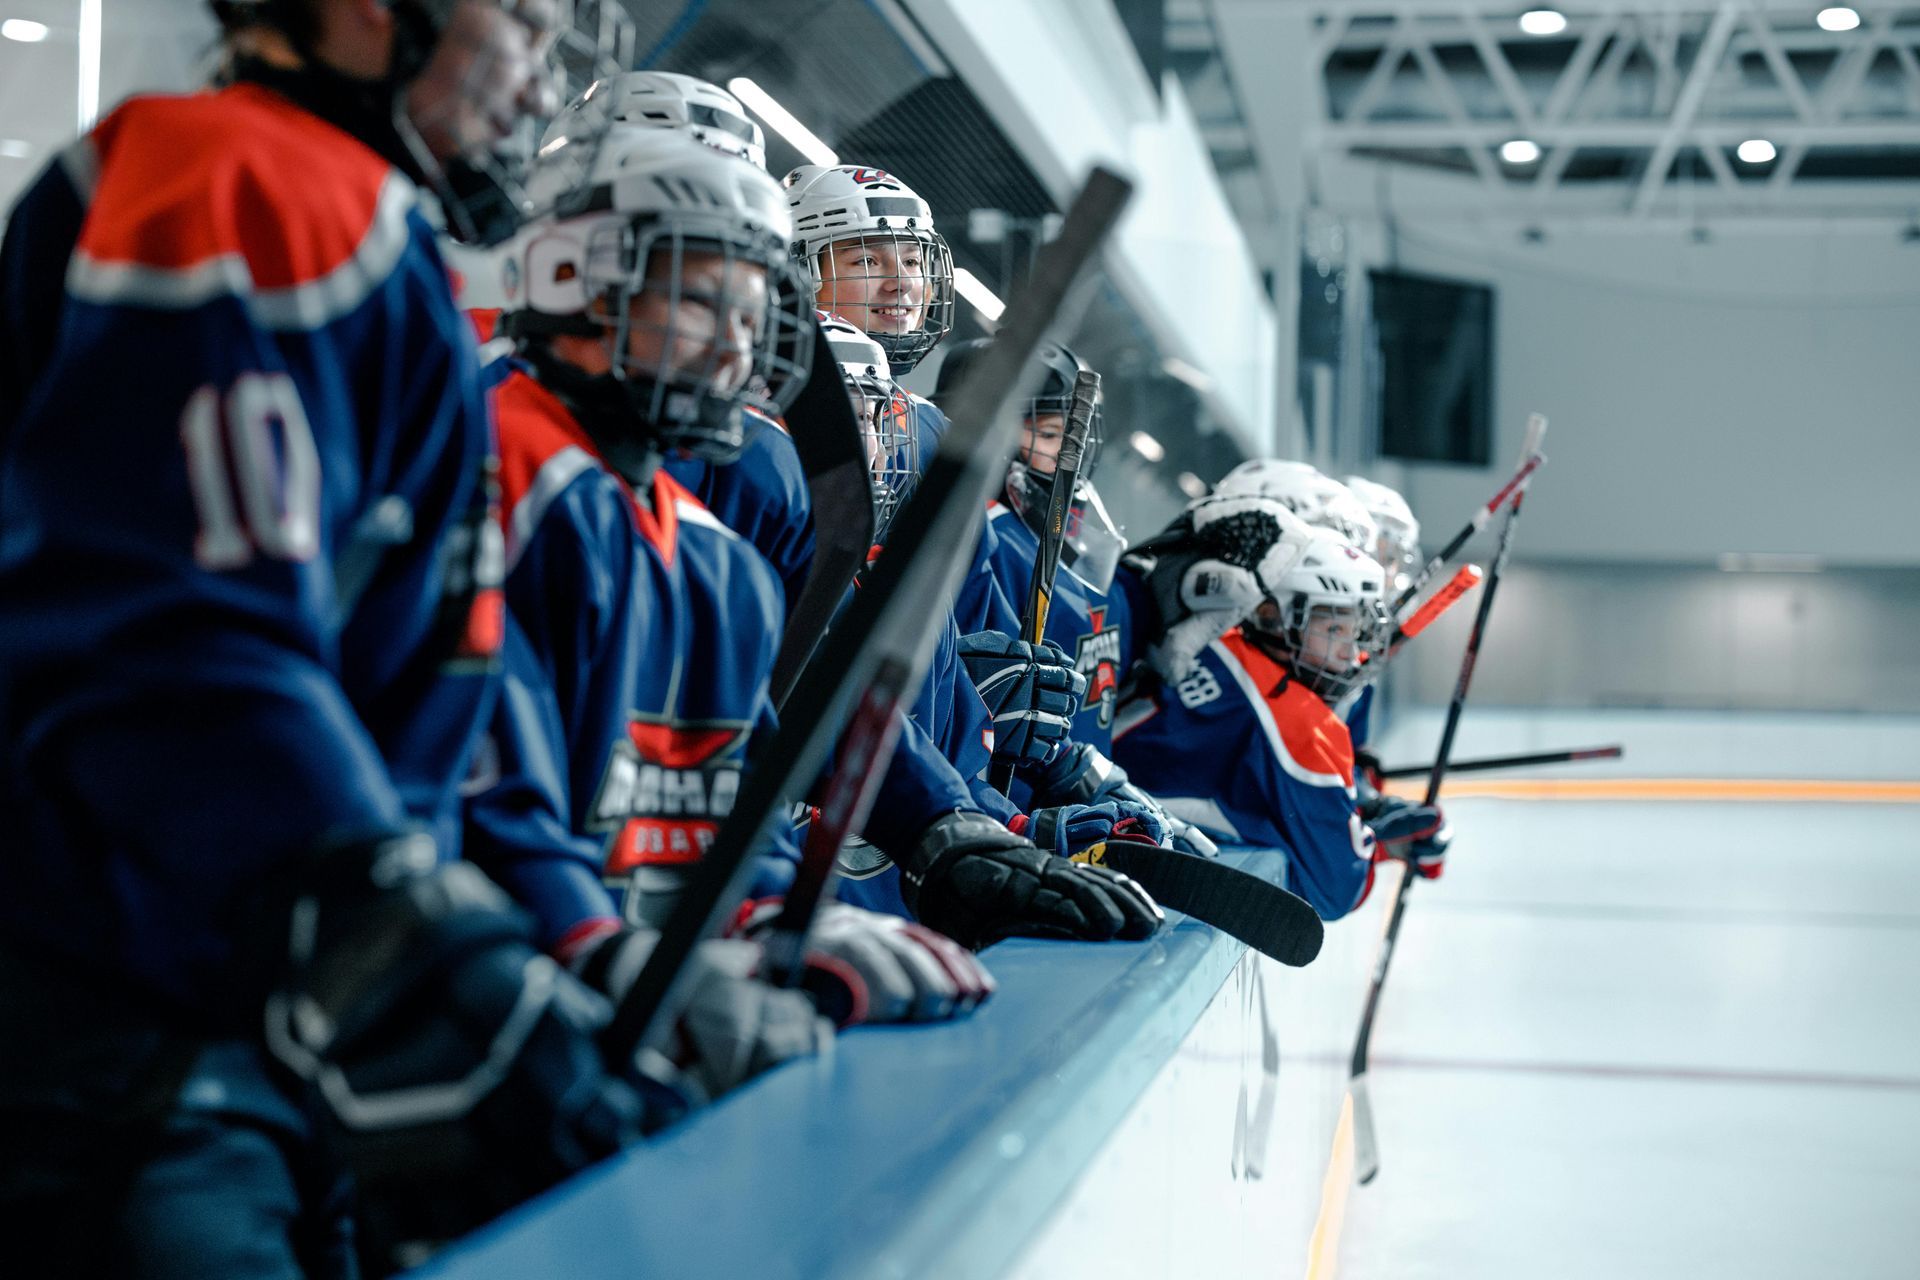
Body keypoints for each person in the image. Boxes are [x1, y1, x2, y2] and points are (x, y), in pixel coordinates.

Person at [0, 0, 646, 1273]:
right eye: (519, 16)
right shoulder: (240, 181)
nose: (539, 77)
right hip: (140, 1055)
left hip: (258, 1046)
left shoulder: (361, 229)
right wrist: (422, 942)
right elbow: (178, 653)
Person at [471, 123, 993, 1041]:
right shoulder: (489, 478)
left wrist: (779, 910)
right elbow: (471, 801)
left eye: (754, 318)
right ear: (573, 279)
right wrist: (594, 948)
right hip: (481, 1011)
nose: (733, 350)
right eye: (702, 304)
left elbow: (712, 801)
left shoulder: (720, 565)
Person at [1114, 528, 1447, 918]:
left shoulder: (1220, 639)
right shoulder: (1300, 724)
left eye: (1354, 630)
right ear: (1276, 617)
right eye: (1334, 629)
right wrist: (1387, 842)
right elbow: (1337, 888)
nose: (1350, 650)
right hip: (1116, 833)